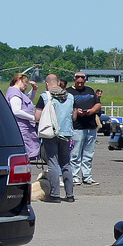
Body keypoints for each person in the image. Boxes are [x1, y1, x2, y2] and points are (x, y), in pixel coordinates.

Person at [35, 74, 76, 203]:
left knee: (52, 163)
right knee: (66, 163)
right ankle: (70, 195)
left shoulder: (45, 96)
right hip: (66, 133)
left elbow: (37, 116)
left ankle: (55, 194)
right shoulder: (70, 97)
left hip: (51, 133)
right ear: (58, 82)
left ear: (47, 84)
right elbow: (74, 116)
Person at [67, 72, 101, 186]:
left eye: (82, 82)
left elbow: (98, 105)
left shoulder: (90, 91)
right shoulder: (68, 92)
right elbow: (65, 107)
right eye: (78, 82)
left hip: (90, 126)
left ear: (85, 80)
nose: (80, 84)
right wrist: (76, 111)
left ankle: (87, 176)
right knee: (75, 153)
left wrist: (91, 110)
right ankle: (75, 176)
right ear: (74, 80)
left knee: (88, 153)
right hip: (77, 127)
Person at [6, 73, 40, 162]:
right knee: (25, 152)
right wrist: (32, 118)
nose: (26, 85)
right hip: (22, 128)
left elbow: (28, 99)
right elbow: (16, 111)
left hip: (26, 127)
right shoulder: (14, 93)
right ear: (19, 80)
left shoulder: (19, 93)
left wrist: (34, 89)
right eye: (25, 83)